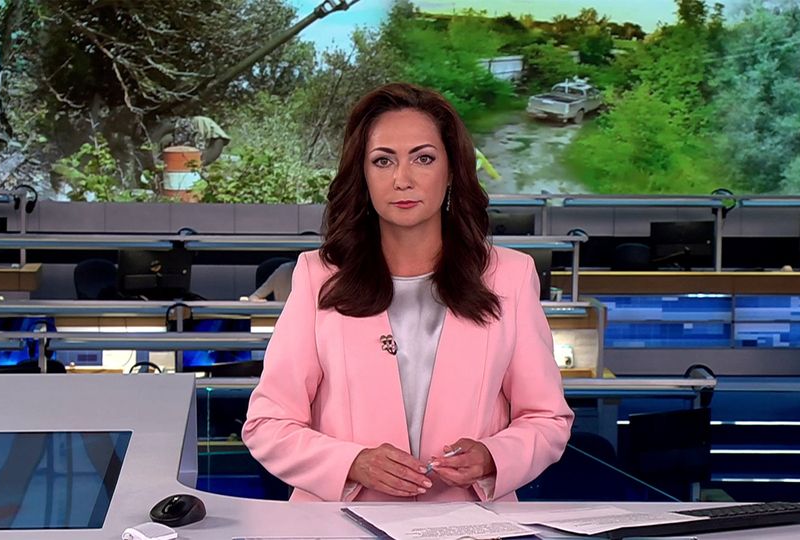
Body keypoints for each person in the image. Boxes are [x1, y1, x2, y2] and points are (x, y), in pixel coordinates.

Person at [242, 82, 573, 502]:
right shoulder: (317, 276)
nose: (402, 179)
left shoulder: (509, 276)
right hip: (340, 524)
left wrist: (494, 456)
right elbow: (267, 424)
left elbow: (547, 418)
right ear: (363, 175)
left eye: (423, 158)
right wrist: (352, 463)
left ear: (451, 171)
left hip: (469, 524)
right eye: (383, 161)